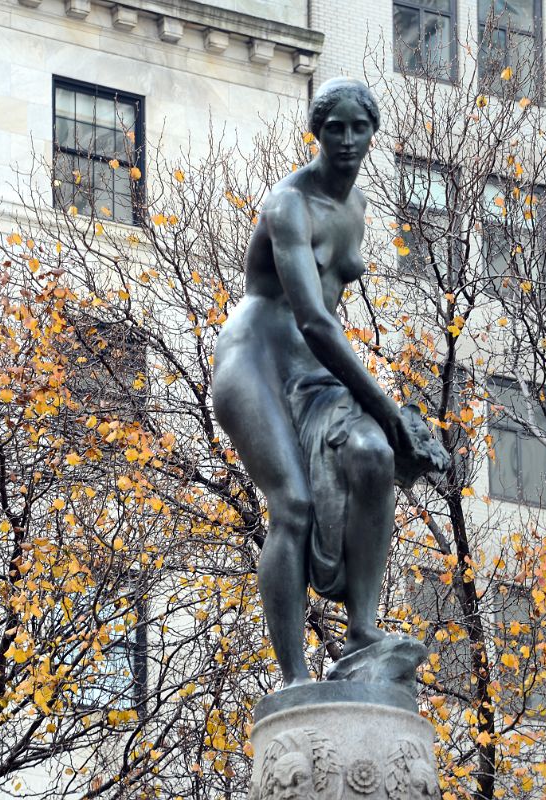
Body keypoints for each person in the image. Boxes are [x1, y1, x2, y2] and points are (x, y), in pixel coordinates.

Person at [212, 78, 447, 687]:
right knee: (291, 505)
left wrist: (381, 422)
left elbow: (325, 325)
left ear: (373, 133)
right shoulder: (287, 205)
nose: (346, 140)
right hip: (256, 360)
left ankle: (362, 629)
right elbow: (316, 320)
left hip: (314, 371)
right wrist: (387, 406)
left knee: (371, 454)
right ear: (316, 133)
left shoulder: (359, 206)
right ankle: (293, 680)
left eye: (357, 127)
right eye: (333, 128)